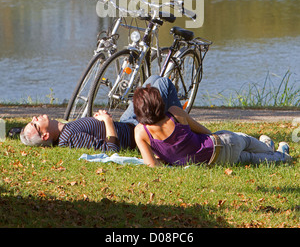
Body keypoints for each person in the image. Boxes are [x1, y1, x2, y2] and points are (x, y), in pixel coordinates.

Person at [133, 84, 292, 167]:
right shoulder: (174, 112)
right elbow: (207, 132)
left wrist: (169, 156)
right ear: (159, 103)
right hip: (220, 146)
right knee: (245, 141)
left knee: (248, 157)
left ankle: (281, 155)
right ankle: (274, 149)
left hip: (213, 162)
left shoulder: (140, 132)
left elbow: (152, 164)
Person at [20, 75, 181, 151]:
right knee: (163, 83)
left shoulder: (65, 130)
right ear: (45, 136)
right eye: (34, 123)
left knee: (152, 80)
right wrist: (107, 121)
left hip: (126, 121)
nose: (34, 118)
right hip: (136, 130)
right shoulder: (69, 138)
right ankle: (182, 133)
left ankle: (179, 125)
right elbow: (111, 150)